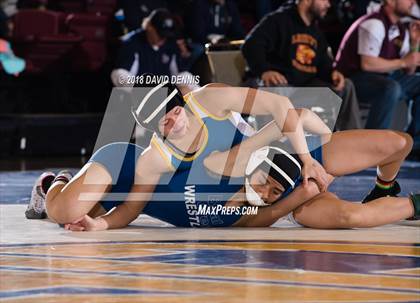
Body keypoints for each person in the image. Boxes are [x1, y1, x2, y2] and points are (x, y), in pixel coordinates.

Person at [26, 80, 328, 224]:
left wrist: (309, 158)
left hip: (140, 197)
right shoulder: (157, 156)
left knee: (84, 217)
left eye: (172, 112)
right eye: (162, 122)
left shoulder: (211, 101)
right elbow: (132, 207)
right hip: (121, 167)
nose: (170, 121)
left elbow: (285, 108)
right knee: (63, 214)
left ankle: (85, 199)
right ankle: (53, 182)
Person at [62, 117, 417, 230]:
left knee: (400, 141)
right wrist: (298, 196)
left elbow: (292, 115)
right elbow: (256, 218)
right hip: (297, 191)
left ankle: (384, 188)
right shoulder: (227, 204)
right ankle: (414, 204)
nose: (263, 194)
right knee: (350, 216)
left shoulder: (228, 147)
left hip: (299, 156)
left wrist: (309, 156)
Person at [241, 0, 362, 131]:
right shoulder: (278, 20)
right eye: (325, 0)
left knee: (346, 86)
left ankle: (351, 139)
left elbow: (323, 63)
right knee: (278, 89)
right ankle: (275, 144)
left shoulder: (315, 31)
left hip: (305, 89)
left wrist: (332, 73)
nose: (328, 4)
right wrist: (264, 71)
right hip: (282, 88)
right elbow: (250, 45)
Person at [335, 0, 420, 155]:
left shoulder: (400, 28)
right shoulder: (374, 23)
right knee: (390, 88)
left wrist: (415, 43)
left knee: (414, 82)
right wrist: (402, 62)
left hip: (385, 77)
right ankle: (372, 146)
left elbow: (409, 70)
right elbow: (367, 64)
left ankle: (415, 144)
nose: (413, 2)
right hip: (352, 80)